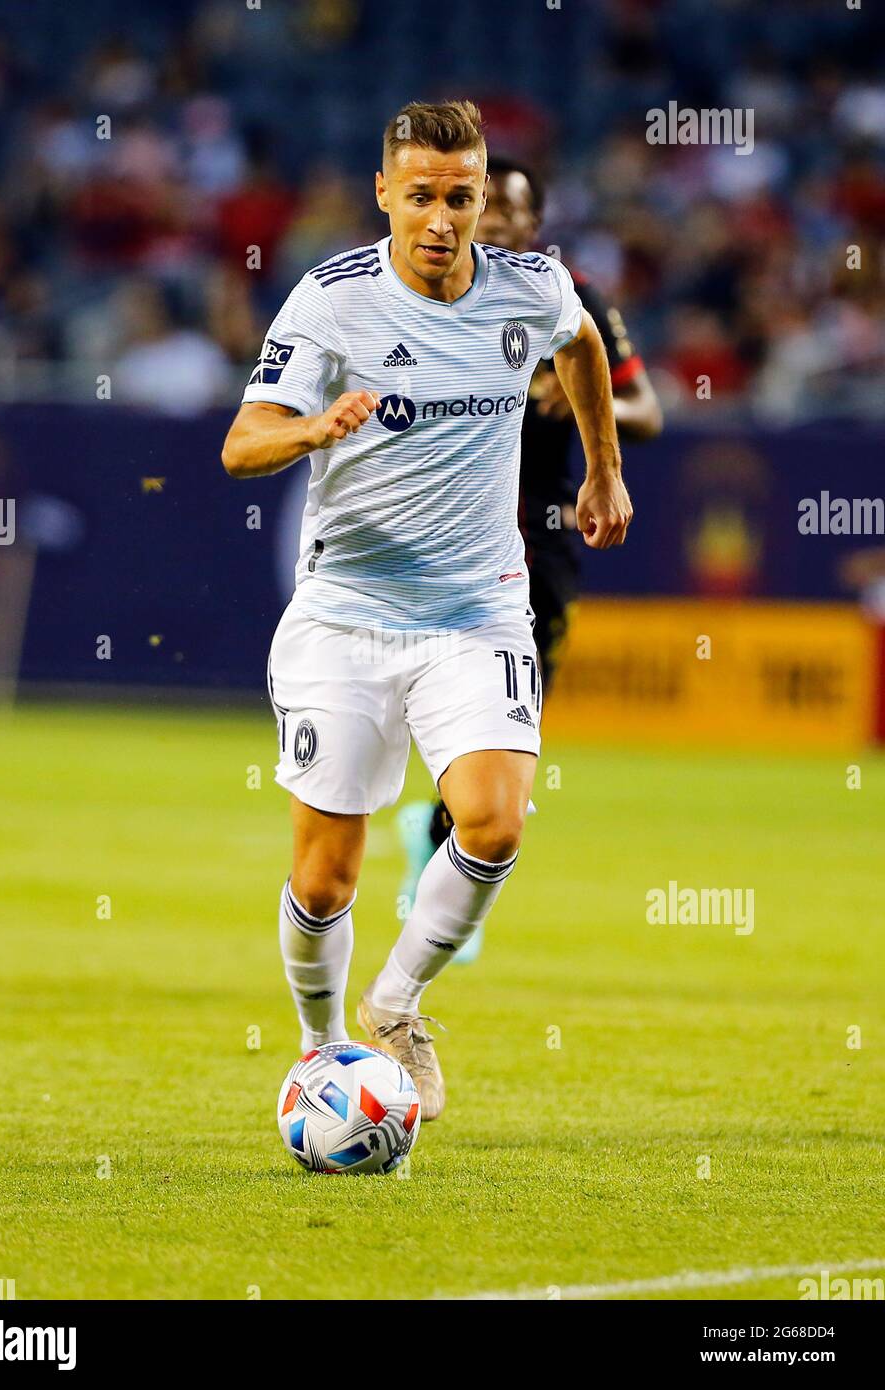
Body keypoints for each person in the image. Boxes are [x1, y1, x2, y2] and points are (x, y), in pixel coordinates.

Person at [221, 101, 632, 1122]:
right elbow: (241, 443)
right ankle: (324, 1049)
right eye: (422, 198)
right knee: (324, 881)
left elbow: (580, 346)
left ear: (482, 195)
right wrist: (315, 425)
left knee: (494, 820)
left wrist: (603, 473)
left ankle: (396, 1003)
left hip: (476, 610)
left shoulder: (530, 286)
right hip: (346, 615)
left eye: (461, 197)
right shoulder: (333, 302)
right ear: (384, 195)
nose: (443, 219)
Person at [397, 155, 663, 964]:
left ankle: (444, 843)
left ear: (533, 224)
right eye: (489, 210)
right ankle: (438, 829)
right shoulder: (419, 288)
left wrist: (589, 403)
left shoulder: (564, 299)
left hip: (535, 539)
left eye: (511, 214)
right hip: (436, 529)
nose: (499, 226)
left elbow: (646, 410)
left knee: (514, 709)